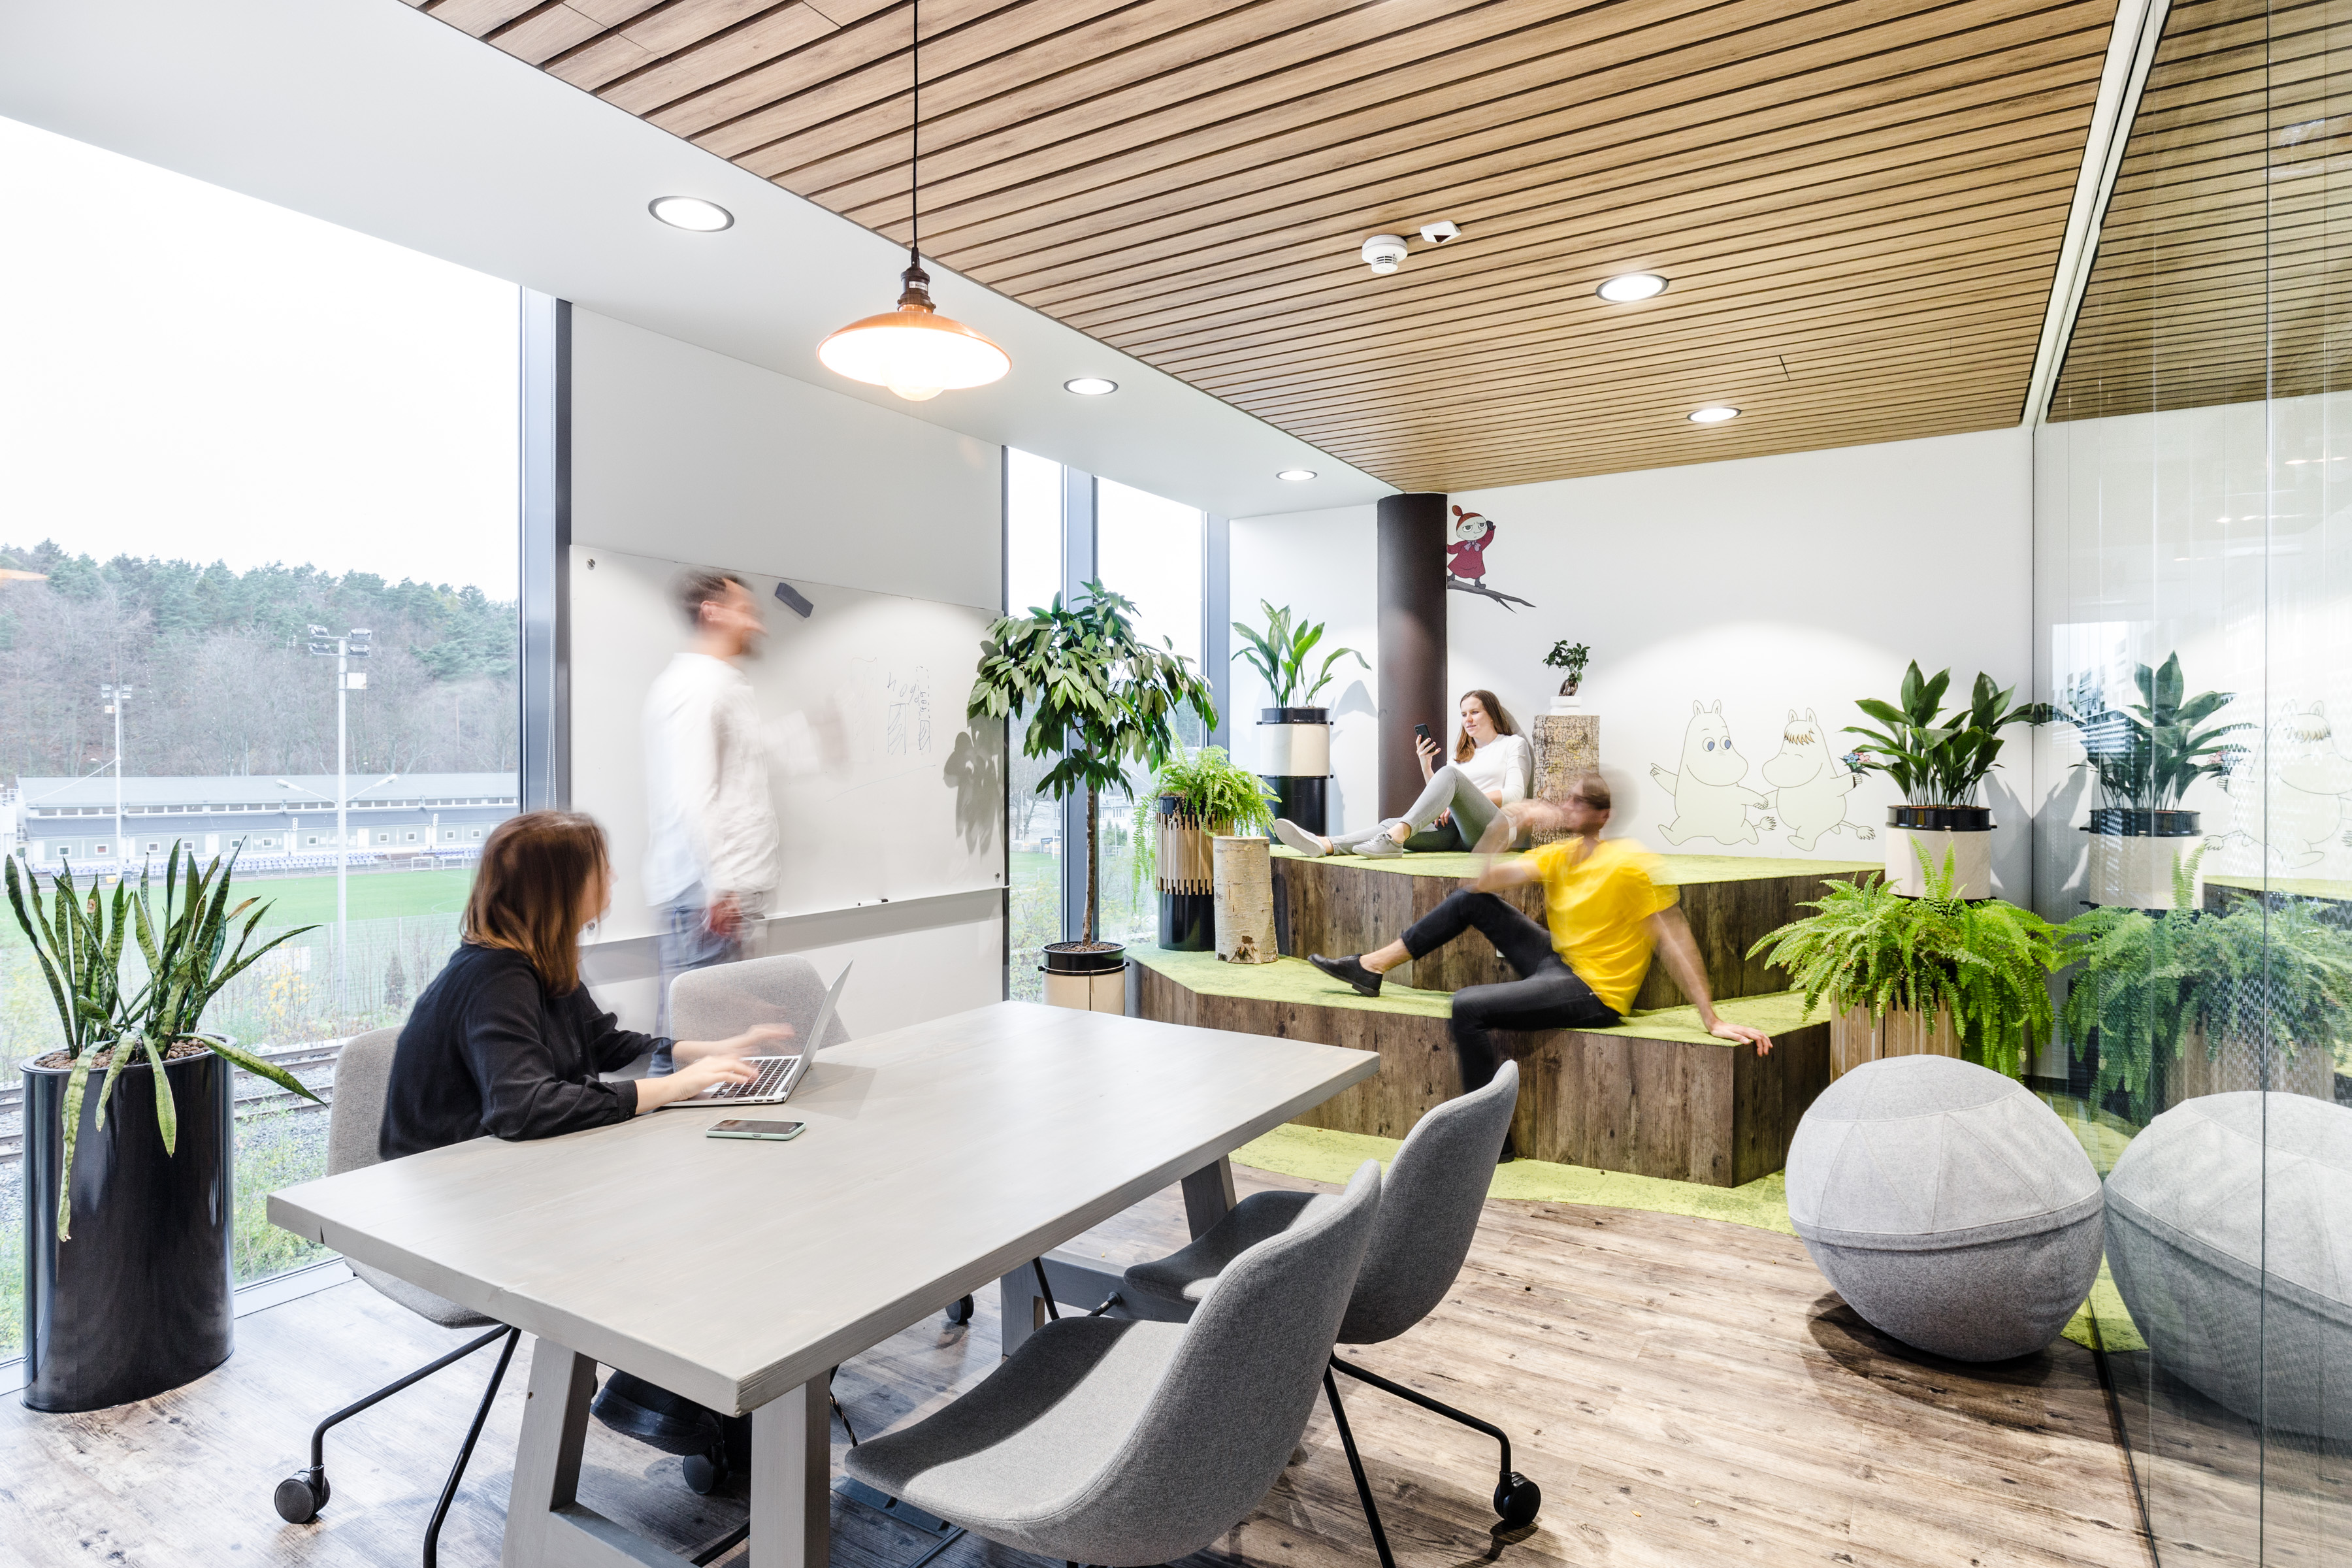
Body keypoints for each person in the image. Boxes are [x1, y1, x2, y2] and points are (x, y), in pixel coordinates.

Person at [1307, 774, 1772, 1152]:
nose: (1567, 807)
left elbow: (1674, 941)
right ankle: (1371, 967)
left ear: (1602, 815)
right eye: (1567, 799)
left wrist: (1712, 1019)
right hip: (1557, 959)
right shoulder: (1560, 854)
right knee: (1471, 902)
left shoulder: (1629, 864)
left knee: (1467, 1006)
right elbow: (1482, 880)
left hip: (1594, 990)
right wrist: (1508, 823)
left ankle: (1489, 1143)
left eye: (1579, 802)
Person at [381, 811, 782, 1161]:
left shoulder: (539, 956)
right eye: (601, 867)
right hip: (452, 1180)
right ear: (562, 887)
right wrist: (672, 1087)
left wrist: (704, 1052)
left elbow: (600, 1042)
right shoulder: (496, 977)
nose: (613, 876)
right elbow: (525, 1108)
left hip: (511, 1164)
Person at [643, 567, 781, 1070]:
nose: (756, 625)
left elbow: (740, 775)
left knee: (712, 1048)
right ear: (712, 612)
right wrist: (718, 886)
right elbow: (693, 793)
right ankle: (658, 1121)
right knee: (694, 1052)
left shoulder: (718, 684)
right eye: (746, 612)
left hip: (716, 896)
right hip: (705, 898)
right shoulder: (698, 686)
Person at [1274, 689, 1531, 858]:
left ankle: (1397, 835)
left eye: (1475, 712)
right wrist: (1426, 765)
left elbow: (1515, 794)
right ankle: (1326, 844)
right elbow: (1442, 793)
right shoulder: (1462, 753)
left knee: (1449, 777)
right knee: (1390, 824)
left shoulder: (1512, 745)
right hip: (1457, 832)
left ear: (1492, 714)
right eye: (1464, 714)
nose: (1468, 720)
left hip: (1494, 832)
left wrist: (1461, 800)